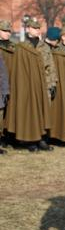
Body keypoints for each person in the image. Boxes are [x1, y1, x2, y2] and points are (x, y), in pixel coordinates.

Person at [4, 18, 53, 152]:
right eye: (34, 28)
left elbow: (50, 65)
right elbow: (19, 67)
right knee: (30, 112)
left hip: (43, 84)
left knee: (43, 112)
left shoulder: (44, 46)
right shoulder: (21, 47)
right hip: (29, 84)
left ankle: (42, 139)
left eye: (38, 28)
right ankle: (30, 140)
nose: (37, 30)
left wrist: (52, 82)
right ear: (28, 29)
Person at [0, 20, 14, 152]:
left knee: (7, 113)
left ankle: (7, 137)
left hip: (10, 84)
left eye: (9, 31)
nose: (7, 33)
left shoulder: (13, 47)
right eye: (4, 31)